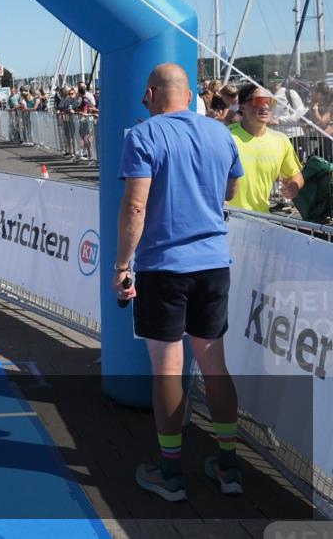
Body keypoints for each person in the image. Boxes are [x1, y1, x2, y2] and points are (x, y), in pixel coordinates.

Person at [114, 63, 245, 502]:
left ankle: (171, 474)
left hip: (164, 267)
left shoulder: (143, 135)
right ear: (189, 95)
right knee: (214, 364)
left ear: (151, 94)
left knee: (167, 369)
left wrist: (121, 266)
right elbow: (230, 192)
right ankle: (228, 467)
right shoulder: (221, 134)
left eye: (144, 98)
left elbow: (135, 207)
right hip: (213, 263)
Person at [227, 84, 304, 214]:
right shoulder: (225, 136)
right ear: (242, 107)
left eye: (270, 101)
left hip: (262, 219)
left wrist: (293, 186)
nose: (265, 106)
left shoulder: (281, 140)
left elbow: (295, 175)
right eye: (259, 101)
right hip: (227, 218)